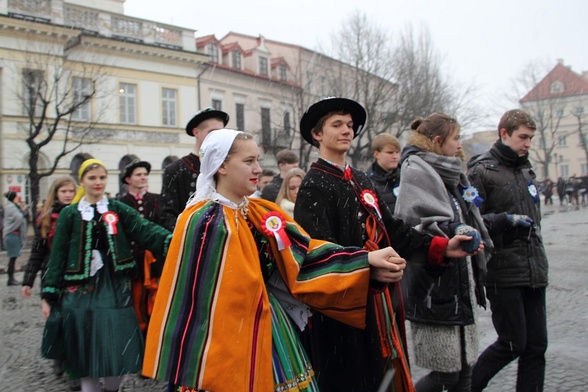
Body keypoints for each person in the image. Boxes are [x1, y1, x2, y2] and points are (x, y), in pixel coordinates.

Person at [142, 129, 407, 391]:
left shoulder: (262, 211)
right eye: (249, 161)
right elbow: (198, 301)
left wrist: (365, 262)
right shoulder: (202, 220)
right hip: (224, 340)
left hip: (270, 328)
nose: (258, 168)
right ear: (221, 165)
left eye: (257, 160)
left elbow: (304, 255)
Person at [293, 97, 478, 392]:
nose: (346, 131)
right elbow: (316, 255)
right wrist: (365, 267)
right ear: (317, 134)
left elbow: (394, 231)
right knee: (354, 380)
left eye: (350, 125)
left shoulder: (362, 179)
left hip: (378, 305)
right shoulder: (314, 185)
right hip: (342, 316)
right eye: (336, 125)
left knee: (384, 378)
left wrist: (442, 247)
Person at [40, 159, 172, 392]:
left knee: (116, 338)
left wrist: (174, 240)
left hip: (114, 286)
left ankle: (112, 388)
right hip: (80, 288)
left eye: (102, 177)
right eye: (92, 178)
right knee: (84, 344)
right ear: (83, 181)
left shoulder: (116, 208)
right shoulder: (70, 214)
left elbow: (143, 229)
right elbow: (58, 254)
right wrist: (49, 292)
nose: (98, 182)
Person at [395, 113, 491, 392]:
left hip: (461, 280)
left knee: (464, 374)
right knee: (445, 374)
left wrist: (469, 233)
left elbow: (466, 215)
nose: (460, 144)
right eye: (456, 138)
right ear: (438, 141)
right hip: (434, 283)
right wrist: (455, 228)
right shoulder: (417, 169)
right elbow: (414, 226)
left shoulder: (453, 173)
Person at [467, 109, 549, 392]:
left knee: (536, 347)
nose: (528, 143)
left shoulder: (526, 169)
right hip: (503, 272)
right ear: (504, 134)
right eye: (522, 137)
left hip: (534, 268)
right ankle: (468, 387)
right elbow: (470, 222)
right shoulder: (481, 171)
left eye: (530, 138)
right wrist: (506, 221)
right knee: (512, 343)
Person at [20, 176, 78, 389]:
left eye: (71, 191)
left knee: (73, 319)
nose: (68, 195)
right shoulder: (45, 218)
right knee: (56, 320)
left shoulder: (79, 214)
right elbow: (37, 252)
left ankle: (73, 367)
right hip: (51, 275)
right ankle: (58, 357)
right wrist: (28, 280)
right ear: (56, 193)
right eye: (64, 192)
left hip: (73, 274)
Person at [160, 107, 229, 231]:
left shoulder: (228, 165)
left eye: (221, 133)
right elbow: (167, 214)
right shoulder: (176, 170)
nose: (218, 137)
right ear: (196, 132)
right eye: (212, 132)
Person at [118, 159, 163, 333]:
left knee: (155, 297)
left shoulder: (157, 200)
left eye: (145, 174)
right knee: (135, 299)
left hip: (154, 260)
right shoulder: (121, 203)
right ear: (128, 179)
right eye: (138, 175)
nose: (143, 177)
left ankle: (154, 331)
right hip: (133, 260)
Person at [368, 133, 402, 213]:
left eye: (397, 152)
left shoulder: (407, 176)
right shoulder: (368, 182)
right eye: (390, 153)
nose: (395, 156)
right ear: (377, 154)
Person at [4, 190, 27, 286]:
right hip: (12, 235)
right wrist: (22, 210)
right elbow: (19, 218)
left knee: (13, 258)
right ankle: (10, 279)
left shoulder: (10, 206)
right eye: (16, 197)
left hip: (12, 235)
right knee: (12, 258)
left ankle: (11, 278)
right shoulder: (11, 207)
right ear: (13, 198)